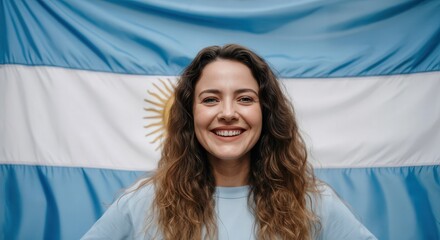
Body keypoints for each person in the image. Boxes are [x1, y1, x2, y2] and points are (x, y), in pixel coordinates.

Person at [82, 44, 377, 240]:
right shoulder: (142, 204)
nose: (227, 113)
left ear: (266, 112)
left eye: (245, 99)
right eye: (210, 99)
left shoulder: (313, 204)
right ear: (190, 113)